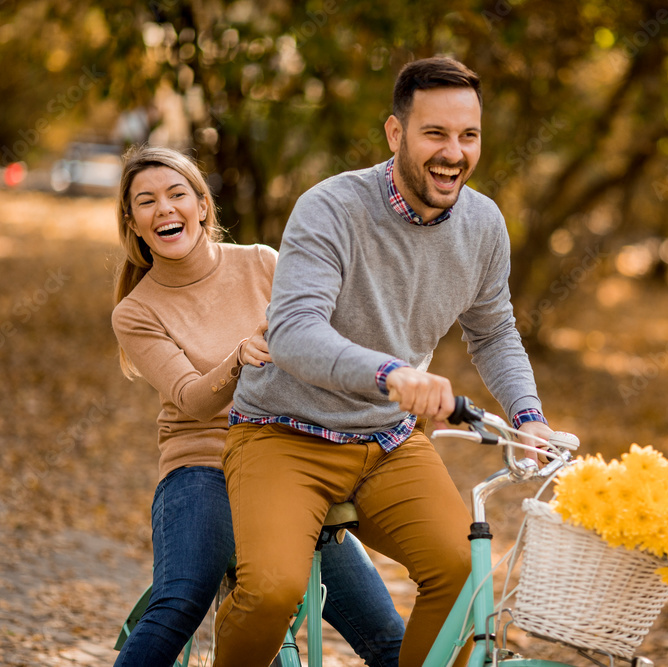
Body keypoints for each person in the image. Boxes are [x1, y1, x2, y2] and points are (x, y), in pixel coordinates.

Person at [213, 57, 554, 667]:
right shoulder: (332, 207)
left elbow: (494, 330)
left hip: (388, 441)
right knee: (271, 592)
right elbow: (292, 331)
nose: (454, 153)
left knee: (462, 574)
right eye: (435, 134)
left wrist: (528, 415)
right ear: (396, 133)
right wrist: (390, 373)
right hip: (282, 433)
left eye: (468, 135)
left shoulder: (484, 225)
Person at [109, 146, 405, 667]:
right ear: (133, 222)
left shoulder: (263, 263)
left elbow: (327, 346)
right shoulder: (136, 311)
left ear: (202, 205)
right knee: (177, 603)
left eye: (178, 194)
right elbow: (192, 400)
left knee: (390, 639)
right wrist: (240, 356)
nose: (165, 210)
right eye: (147, 202)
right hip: (202, 468)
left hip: (288, 463)